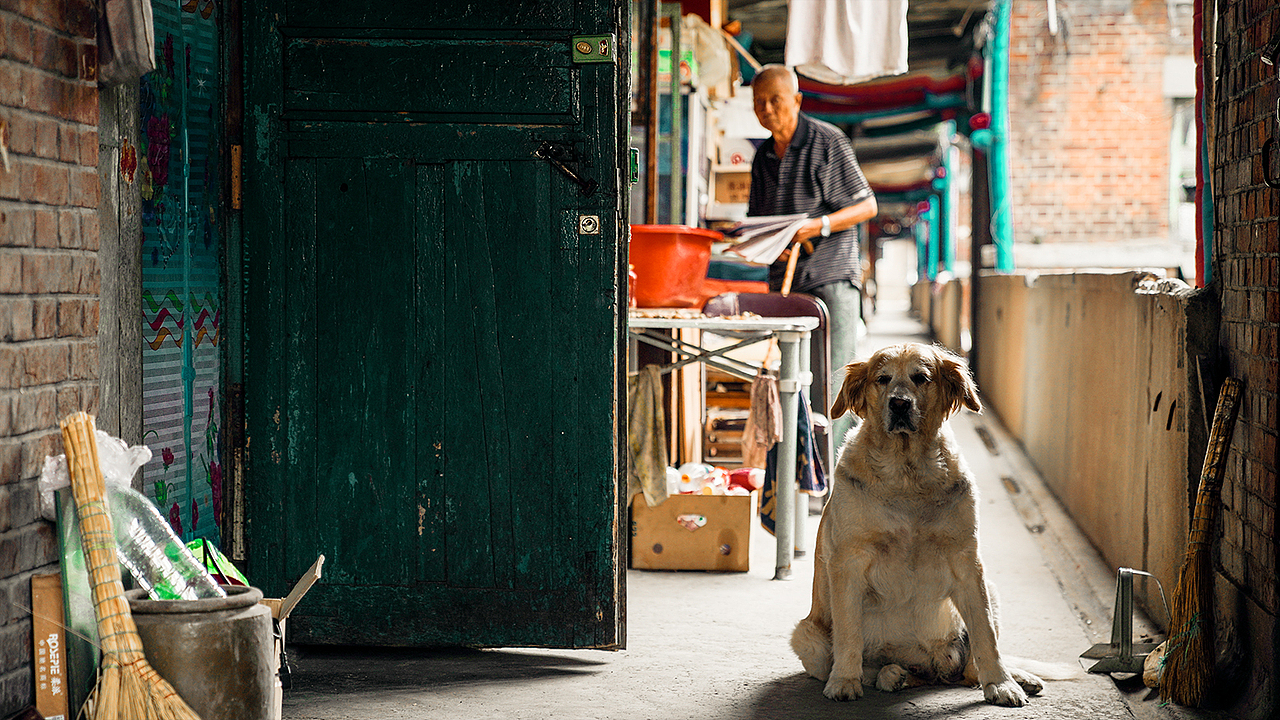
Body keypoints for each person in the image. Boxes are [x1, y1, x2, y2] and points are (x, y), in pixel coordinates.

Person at [747, 64, 877, 447]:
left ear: (797, 100)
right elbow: (761, 224)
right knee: (791, 380)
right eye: (759, 102)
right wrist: (767, 244)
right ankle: (798, 471)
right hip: (786, 286)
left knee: (833, 386)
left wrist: (817, 226)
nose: (767, 109)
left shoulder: (828, 141)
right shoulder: (762, 157)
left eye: (775, 100)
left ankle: (834, 474)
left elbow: (866, 206)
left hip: (831, 279)